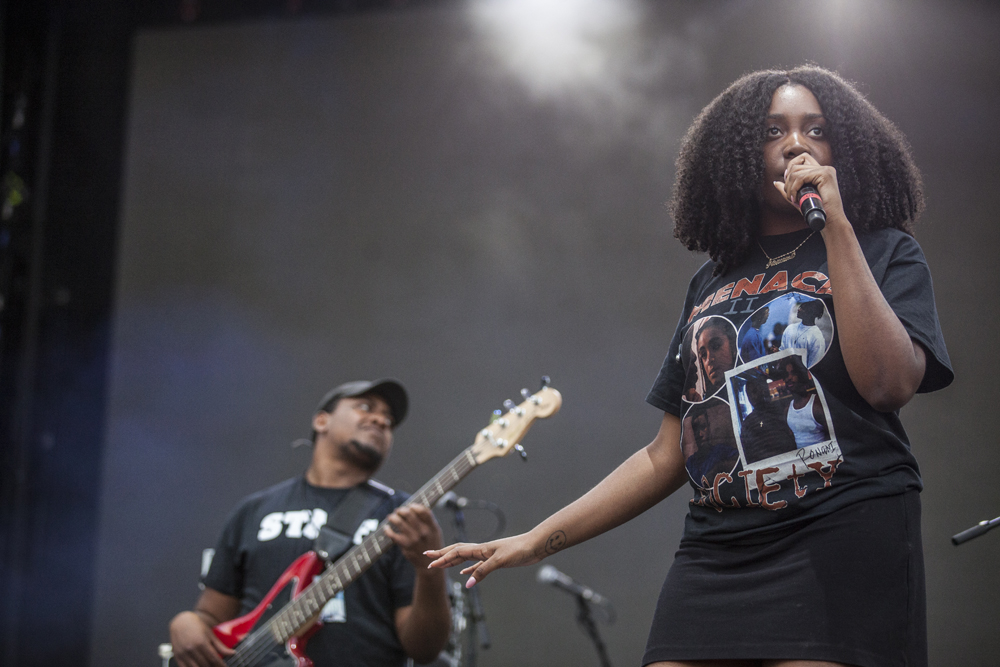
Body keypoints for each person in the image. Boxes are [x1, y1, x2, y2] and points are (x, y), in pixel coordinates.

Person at [426, 66, 952, 667]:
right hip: (718, 549)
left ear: (845, 150)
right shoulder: (711, 280)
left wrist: (839, 230)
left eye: (816, 129)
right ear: (737, 157)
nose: (796, 143)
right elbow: (666, 453)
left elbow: (889, 384)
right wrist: (535, 540)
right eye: (773, 130)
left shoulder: (884, 250)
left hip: (841, 529)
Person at [168, 379, 451, 667]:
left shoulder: (403, 517)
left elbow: (424, 649)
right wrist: (186, 622)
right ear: (321, 420)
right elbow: (212, 616)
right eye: (365, 407)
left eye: (389, 420)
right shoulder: (254, 511)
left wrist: (427, 573)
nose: (380, 420)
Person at [739, 373, 796, 462]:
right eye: (749, 394)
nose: (753, 397)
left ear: (763, 391)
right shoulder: (747, 424)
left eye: (755, 391)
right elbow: (747, 453)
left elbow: (790, 438)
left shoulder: (779, 412)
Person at [781, 357, 830, 448]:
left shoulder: (817, 404)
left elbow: (833, 436)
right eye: (786, 375)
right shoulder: (787, 410)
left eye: (793, 373)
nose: (788, 378)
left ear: (801, 375)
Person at [780, 299, 827, 366]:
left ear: (811, 313)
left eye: (803, 309)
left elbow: (814, 365)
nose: (799, 310)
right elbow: (782, 351)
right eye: (800, 307)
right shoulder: (790, 328)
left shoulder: (817, 338)